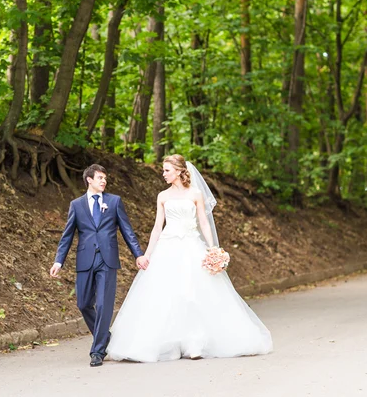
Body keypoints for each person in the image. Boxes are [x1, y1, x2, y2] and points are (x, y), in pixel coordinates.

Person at [107, 155, 273, 362]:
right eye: (163, 170)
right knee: (166, 294)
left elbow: (203, 221)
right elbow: (158, 226)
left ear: (178, 171)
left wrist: (213, 248)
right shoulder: (162, 196)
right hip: (168, 247)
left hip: (192, 245)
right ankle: (172, 344)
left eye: (167, 170)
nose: (163, 174)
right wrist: (147, 254)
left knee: (193, 293)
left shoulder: (195, 194)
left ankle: (195, 343)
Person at [50, 164, 146, 367]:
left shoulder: (114, 201)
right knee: (83, 303)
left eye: (105, 178)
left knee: (103, 304)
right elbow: (67, 235)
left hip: (107, 259)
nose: (104, 181)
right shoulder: (76, 205)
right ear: (89, 180)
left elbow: (127, 230)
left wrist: (138, 254)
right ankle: (105, 336)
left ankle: (97, 351)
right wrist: (59, 261)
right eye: (100, 178)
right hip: (85, 259)